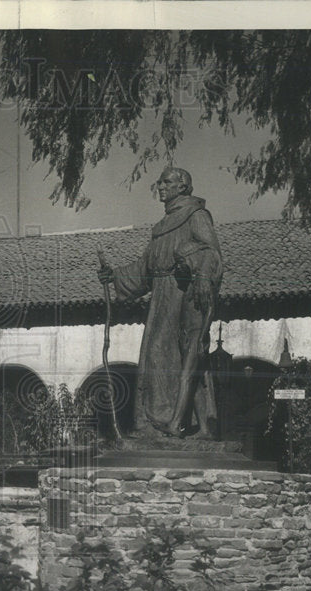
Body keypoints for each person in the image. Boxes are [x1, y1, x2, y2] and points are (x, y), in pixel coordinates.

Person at [98, 167, 223, 439]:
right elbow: (146, 267)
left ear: (183, 186)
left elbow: (211, 252)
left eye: (167, 182)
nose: (161, 187)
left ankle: (170, 423)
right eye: (160, 182)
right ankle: (173, 424)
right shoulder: (161, 228)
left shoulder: (196, 216)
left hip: (185, 296)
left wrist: (200, 276)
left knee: (179, 356)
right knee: (163, 356)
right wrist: (116, 276)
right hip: (162, 299)